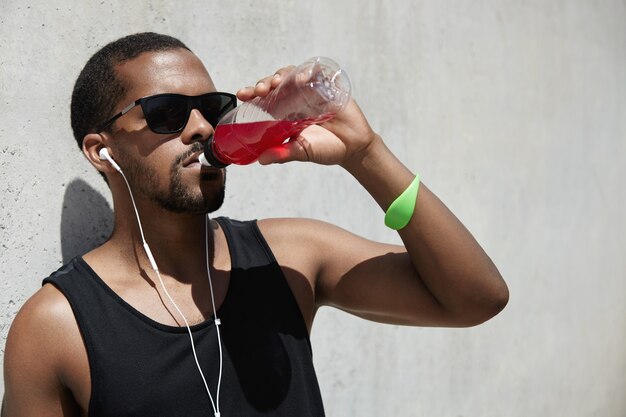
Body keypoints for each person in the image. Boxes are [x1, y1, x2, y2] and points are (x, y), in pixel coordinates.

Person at [2, 32, 508, 417]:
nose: (201, 127)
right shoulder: (56, 329)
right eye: (167, 113)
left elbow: (476, 297)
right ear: (102, 150)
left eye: (213, 108)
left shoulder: (288, 257)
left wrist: (365, 155)